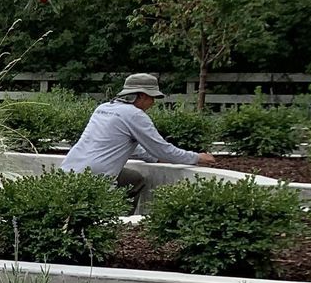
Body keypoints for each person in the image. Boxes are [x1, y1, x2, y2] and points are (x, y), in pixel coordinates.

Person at [59, 72, 216, 204]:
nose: (153, 103)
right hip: (97, 177)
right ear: (141, 96)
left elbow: (131, 148)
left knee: (134, 179)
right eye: (151, 97)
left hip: (69, 169)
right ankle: (120, 223)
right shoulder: (135, 115)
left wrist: (156, 158)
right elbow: (163, 149)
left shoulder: (104, 108)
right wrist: (197, 158)